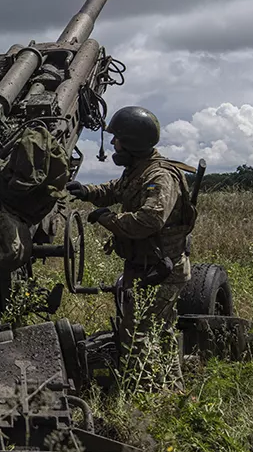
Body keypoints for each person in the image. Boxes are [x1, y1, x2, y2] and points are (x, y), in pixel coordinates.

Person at [66, 106, 196, 383]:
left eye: (118, 138)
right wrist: (87, 192)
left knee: (138, 334)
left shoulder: (159, 176)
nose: (113, 144)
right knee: (161, 331)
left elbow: (149, 221)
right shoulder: (139, 170)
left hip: (161, 271)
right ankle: (170, 387)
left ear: (133, 143)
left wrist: (108, 218)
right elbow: (116, 189)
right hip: (149, 268)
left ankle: (142, 394)